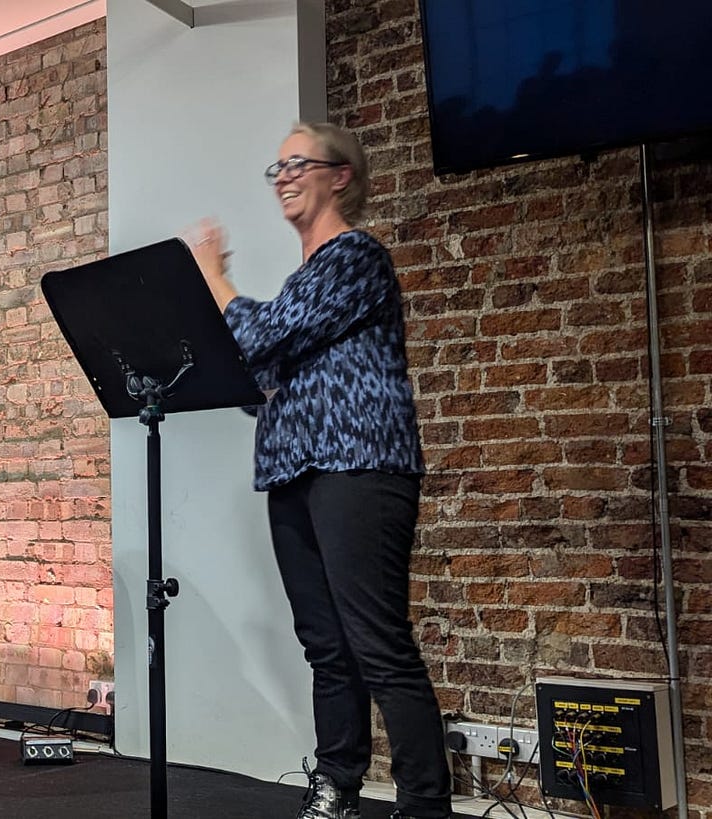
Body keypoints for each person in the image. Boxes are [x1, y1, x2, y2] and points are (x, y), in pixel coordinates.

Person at [187, 122, 452, 819]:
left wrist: (214, 276)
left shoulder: (356, 257)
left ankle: (425, 805)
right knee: (326, 647)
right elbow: (263, 375)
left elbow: (264, 335)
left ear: (341, 176)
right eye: (275, 167)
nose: (283, 175)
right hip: (293, 471)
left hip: (358, 466)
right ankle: (337, 785)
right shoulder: (304, 285)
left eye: (297, 163)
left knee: (377, 642)